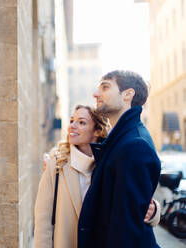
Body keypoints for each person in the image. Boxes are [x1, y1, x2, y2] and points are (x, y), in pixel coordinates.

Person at [34, 105, 159, 248]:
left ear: (97, 131)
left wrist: (154, 210)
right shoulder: (55, 166)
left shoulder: (111, 163)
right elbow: (43, 223)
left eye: (81, 122)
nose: (72, 126)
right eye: (72, 121)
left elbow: (132, 202)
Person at [78, 70, 161, 248]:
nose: (95, 94)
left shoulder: (135, 145)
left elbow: (126, 230)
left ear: (127, 95)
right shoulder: (119, 139)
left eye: (105, 87)